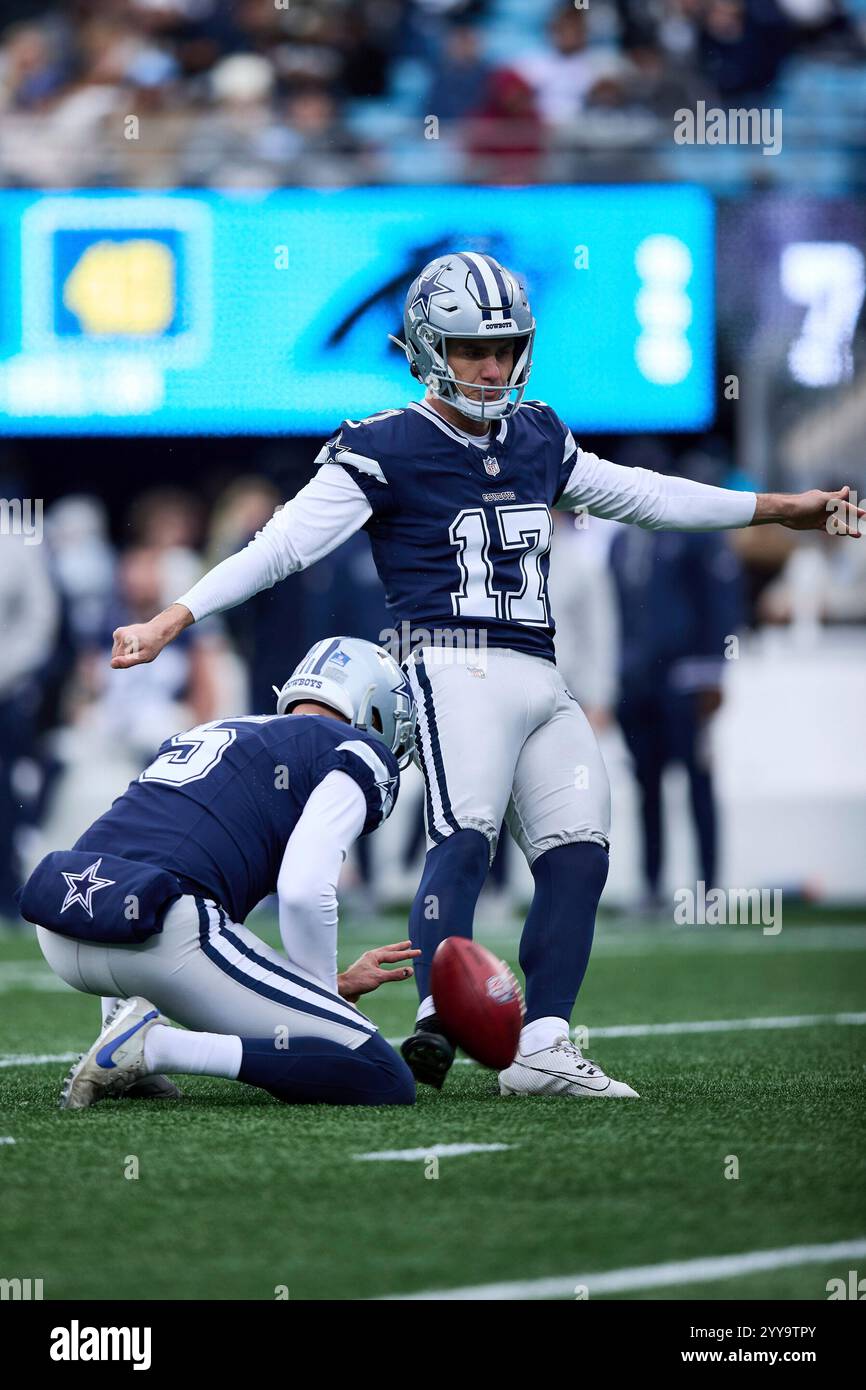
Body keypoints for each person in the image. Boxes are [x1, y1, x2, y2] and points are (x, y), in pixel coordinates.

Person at [108, 251, 863, 1100]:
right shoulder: (384, 445)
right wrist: (174, 617)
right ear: (429, 351)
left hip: (540, 667)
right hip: (449, 659)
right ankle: (438, 1017)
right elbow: (279, 547)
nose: (493, 366)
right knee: (464, 833)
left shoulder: (538, 434)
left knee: (580, 849)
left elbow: (645, 495)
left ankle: (544, 1044)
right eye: (473, 349)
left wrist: (779, 509)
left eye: (504, 348)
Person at [18, 637, 419, 1110]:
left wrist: (326, 985)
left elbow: (133, 848)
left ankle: (120, 1033)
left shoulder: (214, 729)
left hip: (68, 920)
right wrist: (324, 1000)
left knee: (161, 883)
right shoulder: (351, 747)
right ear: (376, 710)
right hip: (163, 933)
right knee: (380, 1074)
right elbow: (303, 890)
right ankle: (155, 1048)